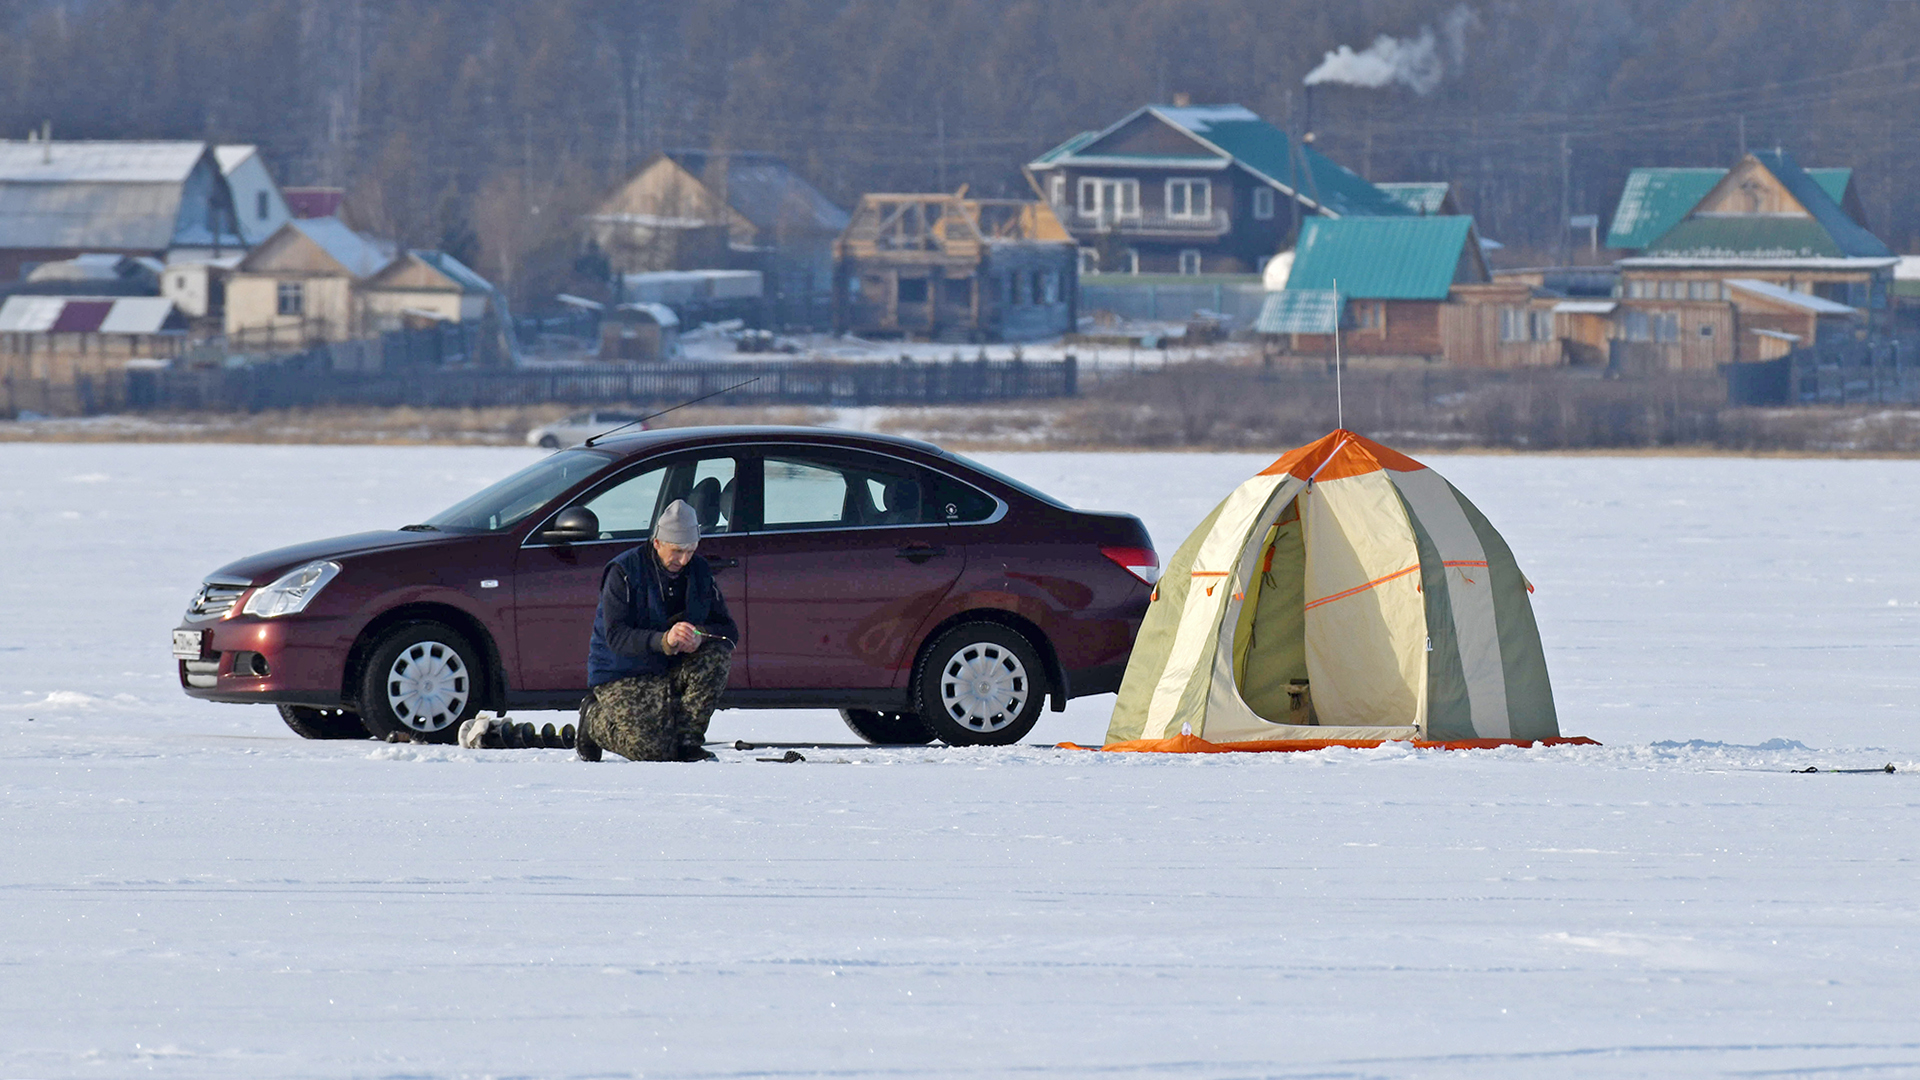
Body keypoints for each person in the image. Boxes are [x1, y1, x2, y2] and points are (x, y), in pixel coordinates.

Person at [578, 499, 737, 761]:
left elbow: (728, 632)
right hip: (622, 671)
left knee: (716, 656)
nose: (683, 560)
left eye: (690, 551)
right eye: (676, 551)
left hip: (670, 667)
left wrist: (699, 635)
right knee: (652, 751)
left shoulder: (700, 571)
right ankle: (593, 719)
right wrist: (663, 640)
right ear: (657, 543)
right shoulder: (624, 572)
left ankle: (688, 742)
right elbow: (616, 636)